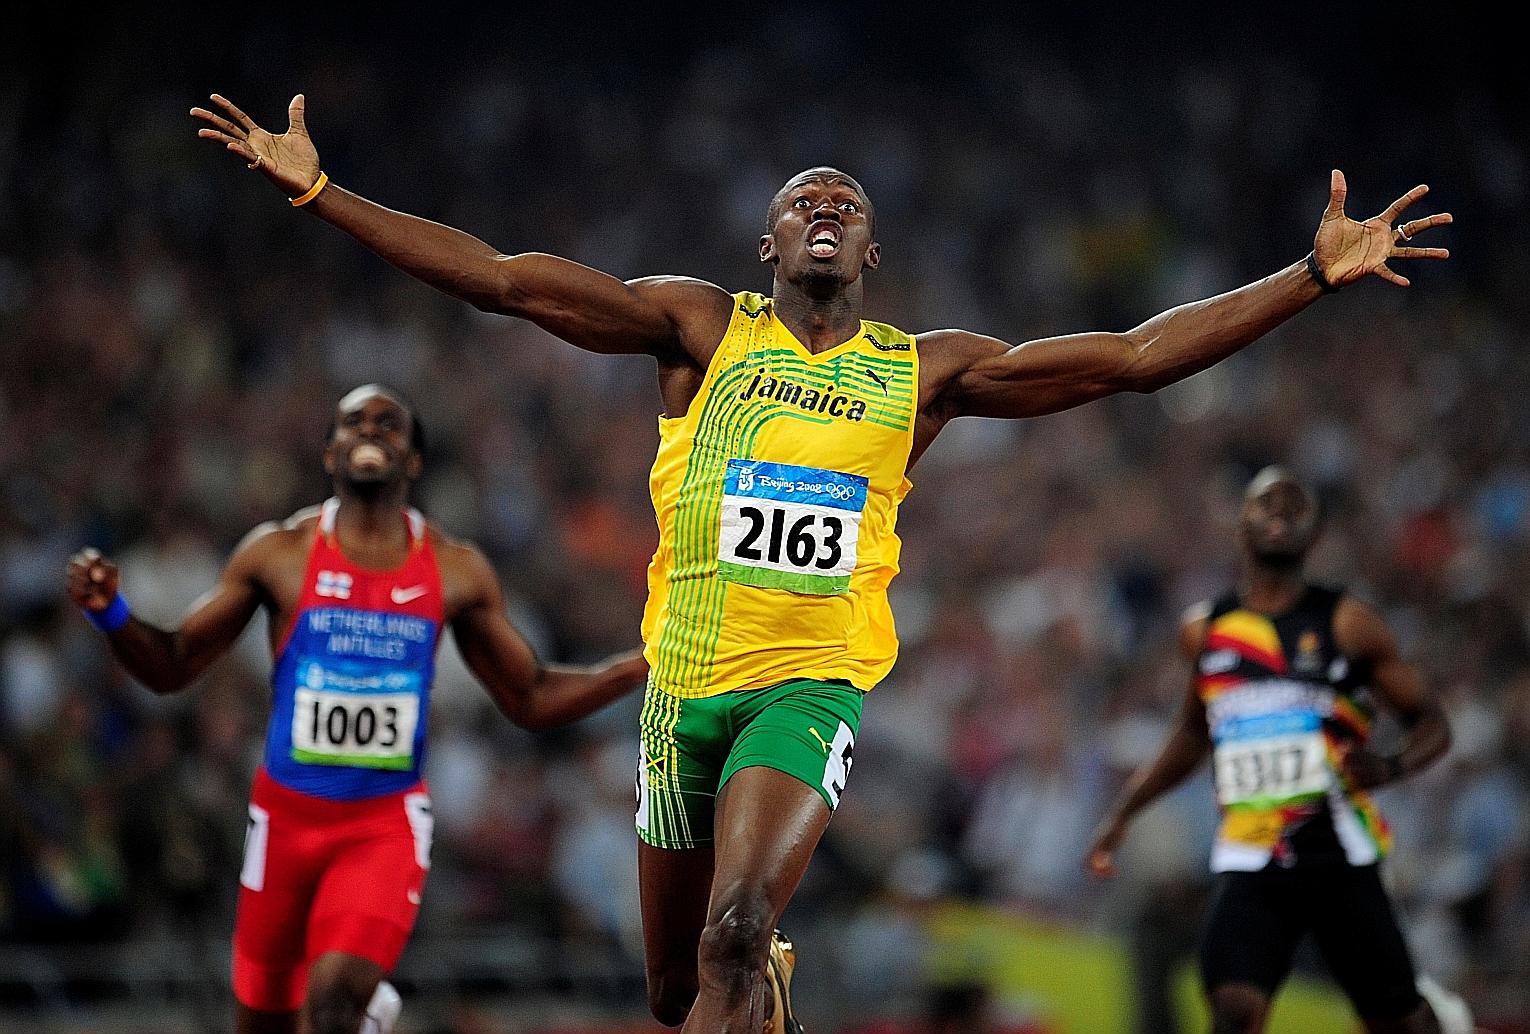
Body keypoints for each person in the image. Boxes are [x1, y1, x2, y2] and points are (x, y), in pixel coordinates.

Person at [190, 92, 1452, 1033]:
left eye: (849, 199)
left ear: (874, 256)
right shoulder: (699, 330)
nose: (828, 203)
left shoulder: (924, 370)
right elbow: (511, 283)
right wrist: (321, 191)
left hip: (811, 684)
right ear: (768, 243)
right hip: (682, 694)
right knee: (681, 990)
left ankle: (763, 964)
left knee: (743, 926)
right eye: (803, 196)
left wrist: (1305, 279)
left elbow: (1129, 357)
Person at [67, 384, 648, 1034]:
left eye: (388, 424)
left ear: (415, 460)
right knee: (262, 1020)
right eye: (353, 422)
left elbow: (530, 695)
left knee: (335, 1002)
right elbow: (173, 666)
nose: (370, 430)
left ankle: (358, 1010)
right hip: (285, 823)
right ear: (329, 452)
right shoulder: (279, 555)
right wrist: (111, 613)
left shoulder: (455, 570)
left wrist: (637, 665)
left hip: (383, 826)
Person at [1085, 467, 1454, 1034]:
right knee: (1233, 1005)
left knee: (1397, 1018)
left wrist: (1390, 765)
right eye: (1266, 504)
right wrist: (1125, 811)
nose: (1280, 516)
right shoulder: (1206, 631)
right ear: (1240, 526)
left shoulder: (1348, 624)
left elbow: (1432, 723)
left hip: (1336, 854)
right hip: (1254, 852)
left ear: (1316, 533)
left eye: (1294, 507)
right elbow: (1192, 733)